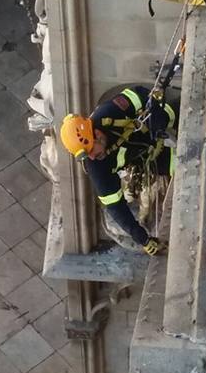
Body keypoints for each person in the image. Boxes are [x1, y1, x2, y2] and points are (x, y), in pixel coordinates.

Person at [60, 85, 178, 255]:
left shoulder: (107, 113)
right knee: (182, 165)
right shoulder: (96, 167)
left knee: (176, 111)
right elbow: (115, 207)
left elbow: (139, 93)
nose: (92, 157)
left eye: (92, 149)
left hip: (155, 125)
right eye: (87, 155)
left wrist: (158, 121)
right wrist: (142, 239)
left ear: (96, 133)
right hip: (148, 156)